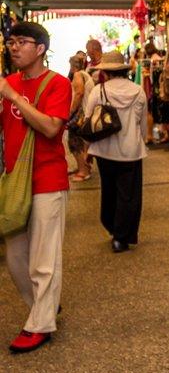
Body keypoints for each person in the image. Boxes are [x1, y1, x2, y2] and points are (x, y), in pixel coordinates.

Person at [1, 21, 72, 353]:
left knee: (44, 259)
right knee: (16, 258)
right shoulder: (8, 83)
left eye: (21, 42)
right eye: (10, 42)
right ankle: (44, 305)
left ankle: (40, 324)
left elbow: (49, 128)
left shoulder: (58, 84)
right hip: (16, 181)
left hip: (48, 179)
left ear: (40, 48)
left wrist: (14, 96)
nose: (13, 47)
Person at [83, 51, 147, 252]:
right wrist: (142, 142)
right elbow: (142, 124)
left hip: (104, 150)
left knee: (109, 190)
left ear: (106, 72)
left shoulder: (98, 91)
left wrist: (88, 150)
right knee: (128, 194)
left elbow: (89, 122)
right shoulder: (138, 91)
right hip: (131, 151)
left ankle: (111, 226)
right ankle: (121, 237)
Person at [67, 52, 93, 181]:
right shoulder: (86, 74)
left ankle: (83, 171)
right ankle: (83, 168)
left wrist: (71, 111)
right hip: (86, 112)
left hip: (80, 113)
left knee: (74, 141)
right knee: (82, 142)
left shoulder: (78, 75)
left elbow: (79, 93)